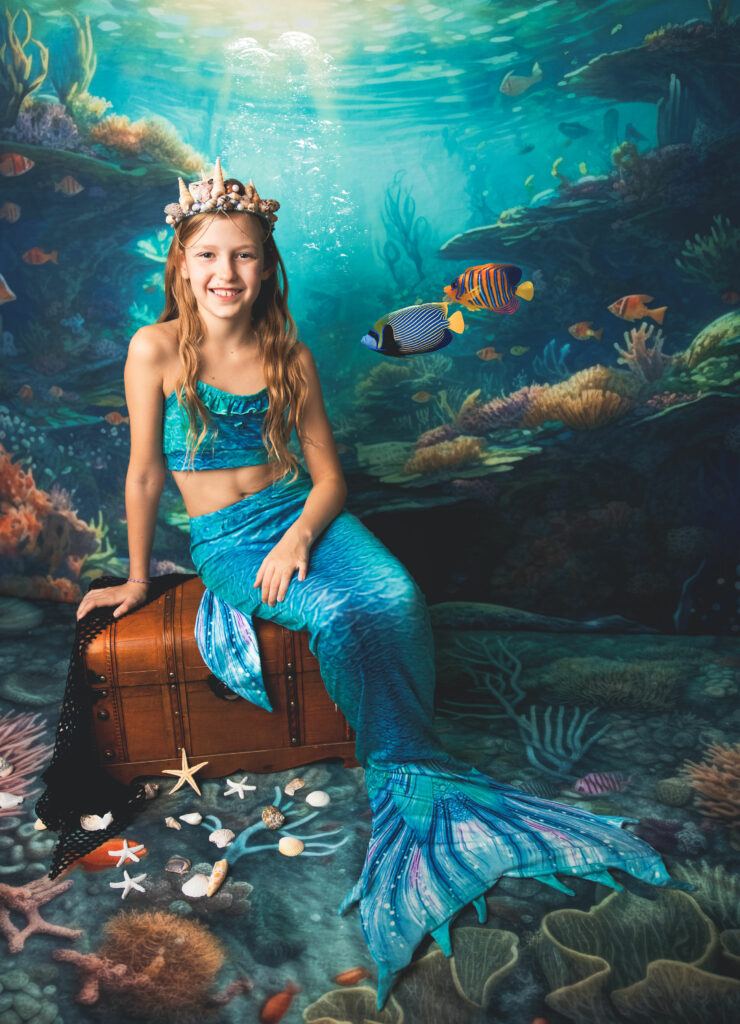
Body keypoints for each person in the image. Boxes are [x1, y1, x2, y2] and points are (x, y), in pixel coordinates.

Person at [64, 159, 689, 1008]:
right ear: (182, 264)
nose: (226, 274)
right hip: (227, 540)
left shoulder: (290, 352)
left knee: (392, 599)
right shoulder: (156, 349)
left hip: (303, 516)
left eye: (244, 257)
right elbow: (143, 475)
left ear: (267, 267)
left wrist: (300, 536)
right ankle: (402, 773)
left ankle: (417, 771)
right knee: (336, 614)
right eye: (209, 255)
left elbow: (329, 479)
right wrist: (140, 579)